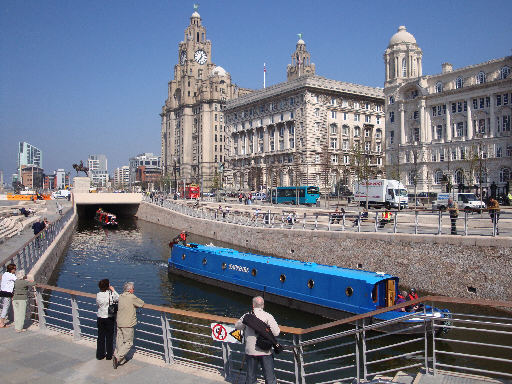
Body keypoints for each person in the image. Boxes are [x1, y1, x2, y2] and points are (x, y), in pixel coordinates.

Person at [235, 296, 280, 384]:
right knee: (270, 378)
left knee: (250, 378)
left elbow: (237, 326)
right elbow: (276, 332)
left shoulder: (247, 316)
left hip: (251, 351)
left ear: (253, 306)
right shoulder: (268, 316)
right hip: (265, 351)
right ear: (263, 306)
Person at [113, 282, 144, 369]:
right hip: (127, 323)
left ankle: (120, 359)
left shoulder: (121, 296)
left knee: (119, 340)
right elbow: (141, 303)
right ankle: (118, 357)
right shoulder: (132, 297)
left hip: (119, 322)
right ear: (130, 290)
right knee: (129, 342)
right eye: (133, 289)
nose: (134, 290)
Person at [96, 279, 119, 360]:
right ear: (108, 286)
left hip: (100, 317)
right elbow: (118, 298)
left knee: (100, 337)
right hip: (109, 317)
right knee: (109, 337)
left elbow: (98, 304)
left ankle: (100, 354)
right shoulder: (110, 294)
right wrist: (113, 290)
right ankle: (109, 355)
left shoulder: (98, 295)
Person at [0, 264, 17, 328]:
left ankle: (1, 321)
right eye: (14, 269)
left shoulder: (5, 274)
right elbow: (17, 280)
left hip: (2, 292)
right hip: (7, 293)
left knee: (4, 306)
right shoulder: (11, 275)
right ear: (11, 269)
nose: (15, 270)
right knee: (5, 308)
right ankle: (1, 323)